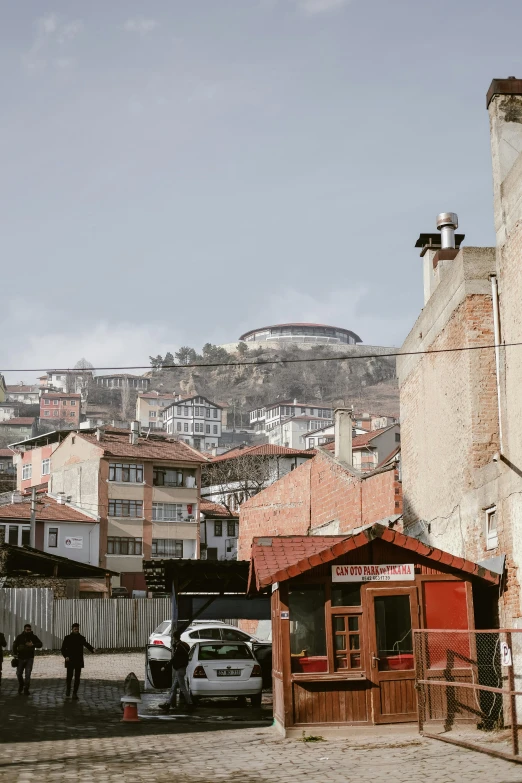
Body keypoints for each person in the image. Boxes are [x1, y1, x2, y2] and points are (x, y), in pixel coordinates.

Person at [159, 629, 194, 712]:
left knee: (182, 688)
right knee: (173, 688)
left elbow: (174, 659)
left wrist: (165, 666)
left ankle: (190, 704)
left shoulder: (179, 647)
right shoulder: (182, 645)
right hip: (181, 669)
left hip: (179, 670)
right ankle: (168, 704)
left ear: (174, 637)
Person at [61, 623, 95, 700]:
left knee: (77, 677)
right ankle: (68, 689)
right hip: (69, 660)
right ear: (72, 629)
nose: (76, 630)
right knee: (69, 677)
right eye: (75, 629)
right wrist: (66, 656)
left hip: (78, 660)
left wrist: (92, 649)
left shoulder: (81, 638)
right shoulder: (67, 638)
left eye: (77, 629)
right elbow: (63, 649)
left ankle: (75, 693)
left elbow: (86, 644)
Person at [13, 624, 42, 695]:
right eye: (27, 630)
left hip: (29, 658)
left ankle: (26, 688)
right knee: (19, 673)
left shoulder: (33, 637)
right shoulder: (20, 637)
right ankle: (21, 684)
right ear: (24, 629)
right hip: (20, 658)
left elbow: (40, 644)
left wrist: (33, 645)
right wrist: (15, 654)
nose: (28, 631)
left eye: (29, 630)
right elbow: (14, 644)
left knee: (28, 674)